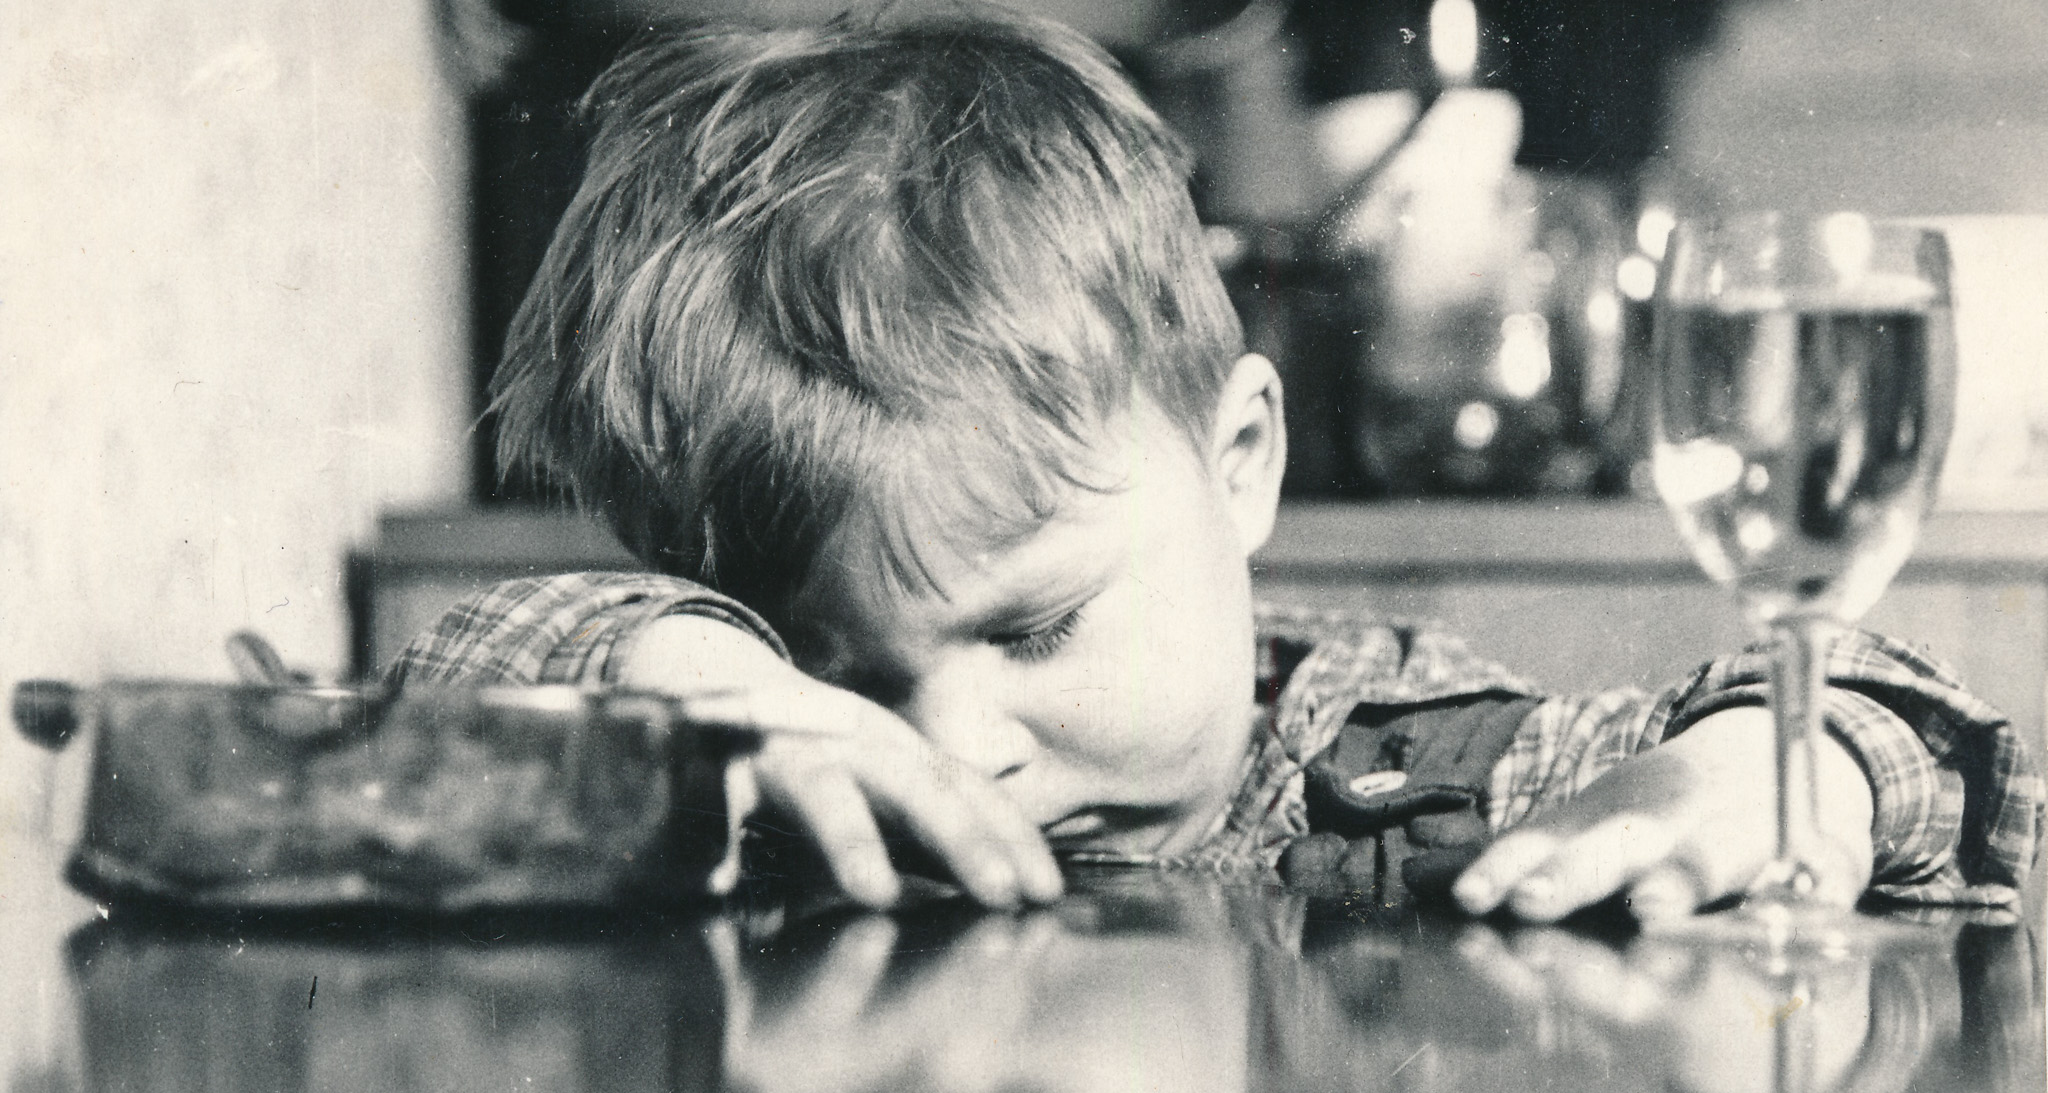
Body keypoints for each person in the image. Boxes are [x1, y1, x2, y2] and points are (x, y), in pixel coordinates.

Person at [390, 13, 2041, 921]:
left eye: (1035, 629)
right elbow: (446, 677)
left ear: (1239, 461)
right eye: (832, 668)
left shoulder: (1393, 770)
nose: (958, 755)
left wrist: (1760, 778)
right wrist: (687, 682)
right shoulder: (765, 781)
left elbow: (1925, 737)